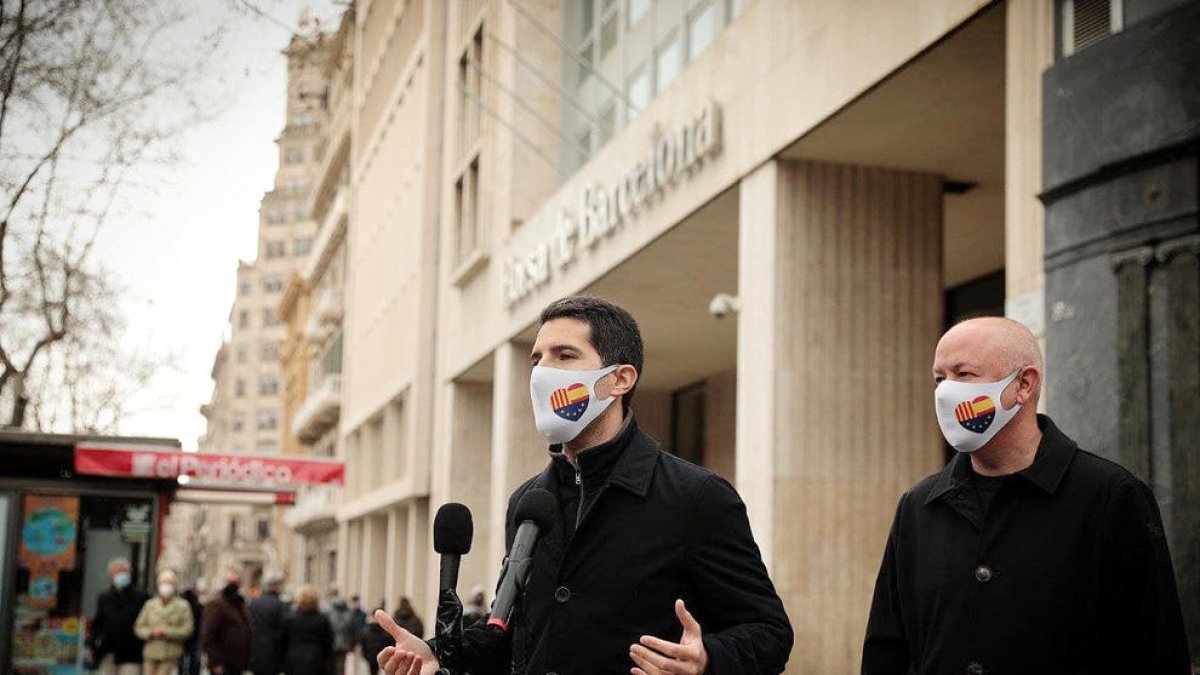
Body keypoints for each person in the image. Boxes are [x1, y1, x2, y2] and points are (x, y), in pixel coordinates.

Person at [375, 296, 794, 675]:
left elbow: (769, 633)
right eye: (537, 359)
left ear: (620, 380)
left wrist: (706, 660)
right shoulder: (529, 501)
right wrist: (440, 654)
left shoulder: (696, 497)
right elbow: (521, 633)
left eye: (565, 355)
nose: (542, 372)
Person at [862, 317, 1191, 674]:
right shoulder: (919, 506)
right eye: (940, 379)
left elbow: (1153, 649)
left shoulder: (1109, 497)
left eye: (965, 374)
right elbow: (888, 650)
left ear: (1023, 384)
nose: (946, 392)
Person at [89, 557, 149, 675]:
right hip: (108, 652)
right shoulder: (104, 598)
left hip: (132, 653)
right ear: (110, 576)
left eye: (124, 571)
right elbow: (98, 623)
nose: (121, 575)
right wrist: (92, 643)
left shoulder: (141, 597)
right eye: (117, 572)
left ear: (130, 574)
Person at [134, 569, 195, 675]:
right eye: (163, 583)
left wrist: (168, 632)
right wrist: (151, 632)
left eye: (169, 583)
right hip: (151, 653)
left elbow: (188, 629)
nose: (165, 587)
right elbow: (138, 627)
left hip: (171, 654)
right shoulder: (150, 605)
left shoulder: (182, 606)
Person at [202, 569, 253, 674]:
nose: (234, 585)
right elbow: (208, 635)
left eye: (237, 581)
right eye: (231, 582)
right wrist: (215, 662)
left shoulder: (238, 604)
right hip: (223, 663)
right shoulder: (216, 604)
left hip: (237, 663)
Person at [283, 585, 334, 675]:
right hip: (316, 660)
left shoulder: (290, 619)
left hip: (293, 660)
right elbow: (329, 641)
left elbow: (283, 640)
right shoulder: (322, 619)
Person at [249, 573, 288, 675]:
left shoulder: (254, 603)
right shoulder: (279, 604)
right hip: (273, 651)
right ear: (275, 586)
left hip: (255, 650)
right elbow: (283, 629)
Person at [325, 595, 355, 673]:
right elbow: (351, 631)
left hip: (332, 643)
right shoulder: (348, 614)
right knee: (341, 665)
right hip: (344, 644)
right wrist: (352, 644)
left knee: (332, 664)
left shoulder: (329, 614)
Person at [178, 587, 204, 675]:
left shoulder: (182, 607)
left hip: (184, 638)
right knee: (195, 661)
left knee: (182, 661)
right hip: (195, 638)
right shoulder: (199, 607)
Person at [359, 608, 393, 675]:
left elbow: (363, 642)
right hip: (378, 654)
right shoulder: (385, 629)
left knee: (373, 671)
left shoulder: (367, 629)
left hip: (372, 655)